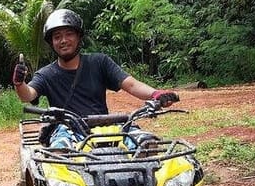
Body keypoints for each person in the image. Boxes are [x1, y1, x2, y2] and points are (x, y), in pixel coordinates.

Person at [12, 8, 179, 149]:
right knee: (60, 150)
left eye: (69, 34)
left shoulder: (99, 62)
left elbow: (131, 84)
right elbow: (28, 95)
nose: (63, 40)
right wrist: (19, 83)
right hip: (66, 128)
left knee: (145, 142)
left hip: (105, 126)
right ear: (52, 43)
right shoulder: (46, 74)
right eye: (57, 37)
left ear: (79, 37)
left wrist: (156, 94)